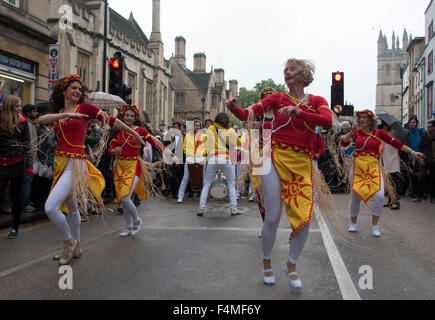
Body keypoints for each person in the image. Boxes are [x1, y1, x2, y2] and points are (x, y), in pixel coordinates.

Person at [227, 58, 333, 288]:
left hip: (302, 163)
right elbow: (247, 115)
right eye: (285, 70)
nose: (286, 72)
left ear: (304, 75)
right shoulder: (276, 99)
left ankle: (291, 266)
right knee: (273, 216)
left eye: (292, 69)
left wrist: (299, 113)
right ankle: (267, 264)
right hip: (274, 158)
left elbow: (327, 121)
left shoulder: (316, 100)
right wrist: (233, 108)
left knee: (304, 219)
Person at [38, 74, 146, 266]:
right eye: (73, 88)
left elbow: (112, 121)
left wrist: (133, 133)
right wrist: (65, 115)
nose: (77, 91)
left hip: (75, 164)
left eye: (80, 89)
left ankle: (68, 242)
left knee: (50, 207)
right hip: (60, 164)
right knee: (71, 207)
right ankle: (77, 246)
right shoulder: (61, 111)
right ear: (64, 91)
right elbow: (41, 120)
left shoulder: (85, 108)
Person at [340, 110, 424, 237]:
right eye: (360, 117)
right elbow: (343, 142)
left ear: (370, 120)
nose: (361, 119)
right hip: (358, 167)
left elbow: (396, 143)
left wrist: (413, 152)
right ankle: (353, 223)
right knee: (355, 194)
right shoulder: (357, 133)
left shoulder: (379, 133)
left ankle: (374, 225)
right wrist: (351, 131)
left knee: (379, 196)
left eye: (364, 117)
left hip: (374, 167)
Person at [109, 104, 176, 237]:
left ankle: (137, 220)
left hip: (135, 165)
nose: (129, 117)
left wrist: (170, 154)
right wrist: (114, 151)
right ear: (122, 116)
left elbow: (154, 141)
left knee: (125, 196)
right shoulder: (118, 132)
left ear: (135, 118)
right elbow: (110, 149)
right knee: (124, 198)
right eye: (126, 115)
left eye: (131, 116)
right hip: (120, 167)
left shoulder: (140, 130)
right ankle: (128, 227)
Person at [198, 112, 242, 217]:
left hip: (213, 158)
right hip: (226, 159)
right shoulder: (230, 130)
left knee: (207, 184)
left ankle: (201, 209)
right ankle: (233, 209)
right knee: (231, 184)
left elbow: (206, 144)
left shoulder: (210, 129)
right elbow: (238, 144)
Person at [0, 95, 30, 239]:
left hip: (18, 164)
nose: (20, 108)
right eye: (17, 105)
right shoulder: (1, 121)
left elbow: (27, 145)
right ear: (10, 106)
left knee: (15, 197)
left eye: (20, 105)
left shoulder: (24, 123)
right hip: (2, 164)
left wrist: (29, 167)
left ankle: (15, 227)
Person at [177, 119, 207, 203]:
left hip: (201, 158)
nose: (197, 127)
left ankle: (203, 196)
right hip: (190, 158)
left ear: (200, 127)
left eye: (198, 125)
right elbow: (184, 146)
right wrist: (188, 154)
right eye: (195, 125)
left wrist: (202, 154)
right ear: (192, 126)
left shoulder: (204, 136)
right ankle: (180, 196)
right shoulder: (187, 136)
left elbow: (206, 147)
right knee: (186, 177)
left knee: (203, 177)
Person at [380, 121, 404, 210]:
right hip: (385, 158)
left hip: (393, 158)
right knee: (388, 182)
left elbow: (398, 142)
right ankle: (390, 200)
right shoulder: (383, 131)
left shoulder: (395, 132)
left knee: (394, 181)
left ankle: (395, 201)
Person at [20, 104, 38, 214]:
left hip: (32, 158)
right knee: (26, 182)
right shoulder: (26, 124)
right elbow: (30, 144)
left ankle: (25, 202)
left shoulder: (30, 124)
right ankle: (24, 203)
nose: (36, 114)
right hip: (28, 159)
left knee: (28, 182)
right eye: (34, 112)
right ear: (28, 113)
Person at [407, 116, 426, 200]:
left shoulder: (422, 132)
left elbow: (425, 144)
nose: (412, 124)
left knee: (420, 176)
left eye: (414, 122)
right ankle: (413, 192)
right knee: (412, 175)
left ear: (416, 123)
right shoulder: (407, 133)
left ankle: (421, 193)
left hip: (420, 156)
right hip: (411, 157)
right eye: (411, 122)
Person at [418, 120, 435, 203]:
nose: (428, 128)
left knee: (433, 178)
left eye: (430, 126)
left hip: (433, 160)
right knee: (422, 177)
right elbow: (420, 147)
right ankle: (421, 195)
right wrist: (421, 158)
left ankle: (432, 196)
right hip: (426, 159)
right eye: (427, 126)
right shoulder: (425, 136)